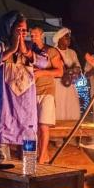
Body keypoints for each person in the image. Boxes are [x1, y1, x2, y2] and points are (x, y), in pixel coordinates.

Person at [0, 11, 47, 159]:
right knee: (1, 159)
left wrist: (25, 51)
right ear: (9, 29)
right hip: (5, 109)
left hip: (27, 111)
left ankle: (27, 179)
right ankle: (1, 180)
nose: (23, 34)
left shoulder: (32, 47)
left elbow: (44, 62)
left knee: (28, 158)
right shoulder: (0, 46)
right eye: (19, 30)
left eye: (25, 30)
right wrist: (12, 49)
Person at [30, 27, 63, 164]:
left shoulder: (51, 51)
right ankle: (39, 153)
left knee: (44, 125)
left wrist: (41, 73)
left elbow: (60, 72)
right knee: (33, 127)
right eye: (31, 35)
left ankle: (42, 157)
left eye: (35, 35)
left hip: (47, 91)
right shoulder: (28, 51)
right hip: (31, 92)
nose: (33, 37)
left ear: (42, 35)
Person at [53, 28, 81, 120]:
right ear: (59, 39)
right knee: (59, 108)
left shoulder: (72, 52)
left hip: (70, 85)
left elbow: (78, 68)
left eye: (69, 37)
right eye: (66, 37)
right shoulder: (53, 51)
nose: (69, 39)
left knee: (71, 107)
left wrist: (72, 71)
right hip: (57, 84)